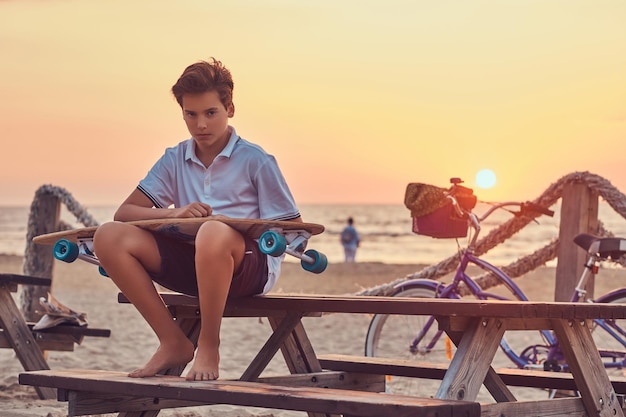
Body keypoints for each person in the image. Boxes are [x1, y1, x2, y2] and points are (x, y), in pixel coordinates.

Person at [92, 58, 301, 382]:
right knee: (108, 235)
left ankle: (209, 344)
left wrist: (230, 226)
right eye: (191, 114)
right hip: (191, 266)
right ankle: (172, 341)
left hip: (246, 271)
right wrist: (174, 212)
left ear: (229, 108)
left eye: (210, 113)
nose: (200, 124)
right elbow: (126, 213)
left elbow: (293, 229)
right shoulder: (174, 158)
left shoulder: (256, 160)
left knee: (213, 232)